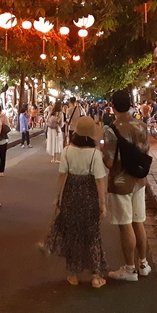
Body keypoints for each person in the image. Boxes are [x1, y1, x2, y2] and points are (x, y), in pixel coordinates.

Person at [41, 116, 108, 288]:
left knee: (73, 234)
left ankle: (72, 274)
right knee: (92, 234)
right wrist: (103, 203)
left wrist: (57, 196)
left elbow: (62, 175)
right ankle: (96, 276)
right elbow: (100, 180)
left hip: (71, 195)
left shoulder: (67, 151)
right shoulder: (95, 154)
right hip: (89, 195)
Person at [103, 90, 152, 282]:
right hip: (139, 180)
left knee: (125, 224)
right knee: (138, 221)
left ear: (113, 106)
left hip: (120, 182)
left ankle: (130, 268)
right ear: (131, 104)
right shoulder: (141, 125)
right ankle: (143, 263)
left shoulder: (112, 130)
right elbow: (146, 150)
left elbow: (109, 162)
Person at [0, 104, 11, 178]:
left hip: (3, 139)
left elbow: (8, 127)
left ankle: (1, 170)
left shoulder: (4, 117)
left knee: (2, 155)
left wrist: (0, 127)